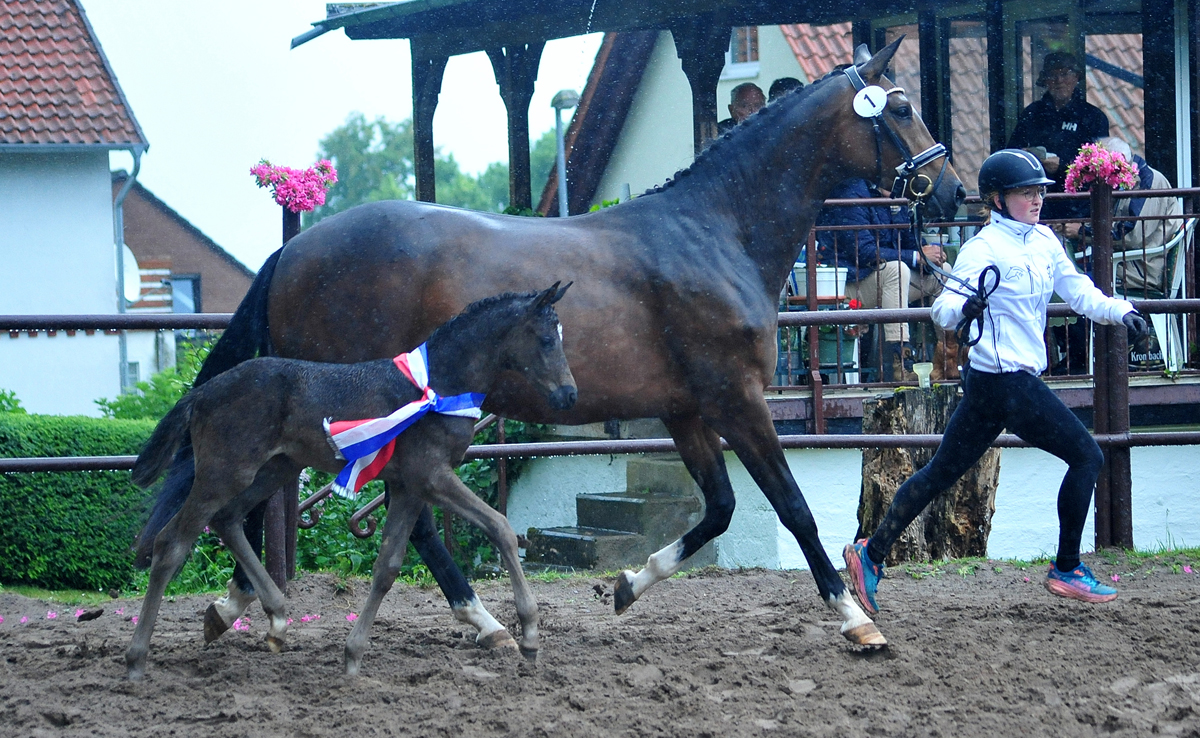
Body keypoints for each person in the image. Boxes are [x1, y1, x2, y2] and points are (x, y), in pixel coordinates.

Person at [842, 149, 1149, 611]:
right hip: (1004, 380)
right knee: (1086, 455)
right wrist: (967, 307)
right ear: (997, 200)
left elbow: (1079, 291)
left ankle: (871, 552)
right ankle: (1066, 567)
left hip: (994, 384)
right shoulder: (982, 248)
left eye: (1038, 191)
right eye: (1025, 192)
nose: (1036, 199)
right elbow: (942, 308)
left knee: (940, 473)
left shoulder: (1044, 241)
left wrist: (1123, 312)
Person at [815, 178, 944, 381]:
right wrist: (915, 256)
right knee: (897, 270)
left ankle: (946, 359)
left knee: (943, 272)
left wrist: (928, 256)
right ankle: (901, 364)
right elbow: (863, 252)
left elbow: (908, 241)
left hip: (882, 281)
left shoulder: (895, 194)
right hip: (848, 283)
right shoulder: (853, 193)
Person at [1007, 52, 1110, 222]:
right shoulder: (1032, 113)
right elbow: (1011, 153)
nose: (1059, 80)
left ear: (1077, 77)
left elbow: (1099, 165)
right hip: (1037, 202)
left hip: (1078, 204)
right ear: (1045, 79)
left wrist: (1062, 166)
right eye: (1053, 75)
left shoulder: (1093, 117)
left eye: (1065, 73)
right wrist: (1028, 157)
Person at [1097, 136, 1184, 293]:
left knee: (1076, 281)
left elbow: (1132, 236)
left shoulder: (1148, 182)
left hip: (1141, 271)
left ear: (1120, 159)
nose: (1101, 174)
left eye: (1103, 167)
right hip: (1127, 264)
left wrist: (1082, 232)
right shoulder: (1124, 180)